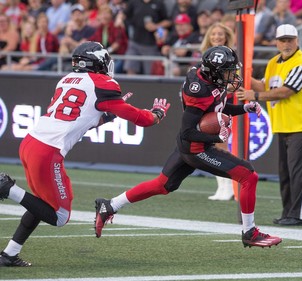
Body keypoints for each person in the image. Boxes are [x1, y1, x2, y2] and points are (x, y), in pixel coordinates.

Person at [0, 41, 170, 267]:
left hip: (32, 142)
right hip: (48, 151)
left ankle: (9, 254)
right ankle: (7, 188)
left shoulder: (66, 80)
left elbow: (78, 120)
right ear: (98, 62)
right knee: (59, 216)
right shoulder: (104, 83)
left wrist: (106, 116)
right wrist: (156, 114)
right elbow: (139, 118)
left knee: (40, 203)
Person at [94, 45, 282, 249]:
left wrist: (243, 108)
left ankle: (110, 204)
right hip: (196, 148)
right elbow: (187, 131)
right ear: (215, 72)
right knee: (248, 176)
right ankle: (250, 232)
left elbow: (216, 108)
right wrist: (216, 136)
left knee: (162, 185)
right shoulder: (199, 89)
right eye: (227, 71)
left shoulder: (209, 80)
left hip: (189, 146)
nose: (231, 76)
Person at [236, 24, 302, 226]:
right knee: (285, 172)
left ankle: (299, 214)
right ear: (276, 42)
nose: (287, 44)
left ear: (297, 40)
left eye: (290, 39)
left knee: (298, 171)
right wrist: (243, 78)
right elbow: (266, 86)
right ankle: (288, 212)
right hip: (283, 124)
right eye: (282, 40)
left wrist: (253, 96)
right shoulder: (274, 62)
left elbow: (285, 92)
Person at [198, 22, 236, 201]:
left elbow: (235, 83)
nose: (217, 37)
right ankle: (222, 187)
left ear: (227, 36)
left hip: (225, 105)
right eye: (213, 34)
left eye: (220, 34)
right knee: (211, 146)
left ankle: (229, 186)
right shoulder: (205, 57)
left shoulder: (232, 57)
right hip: (208, 105)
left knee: (222, 146)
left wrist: (218, 91)